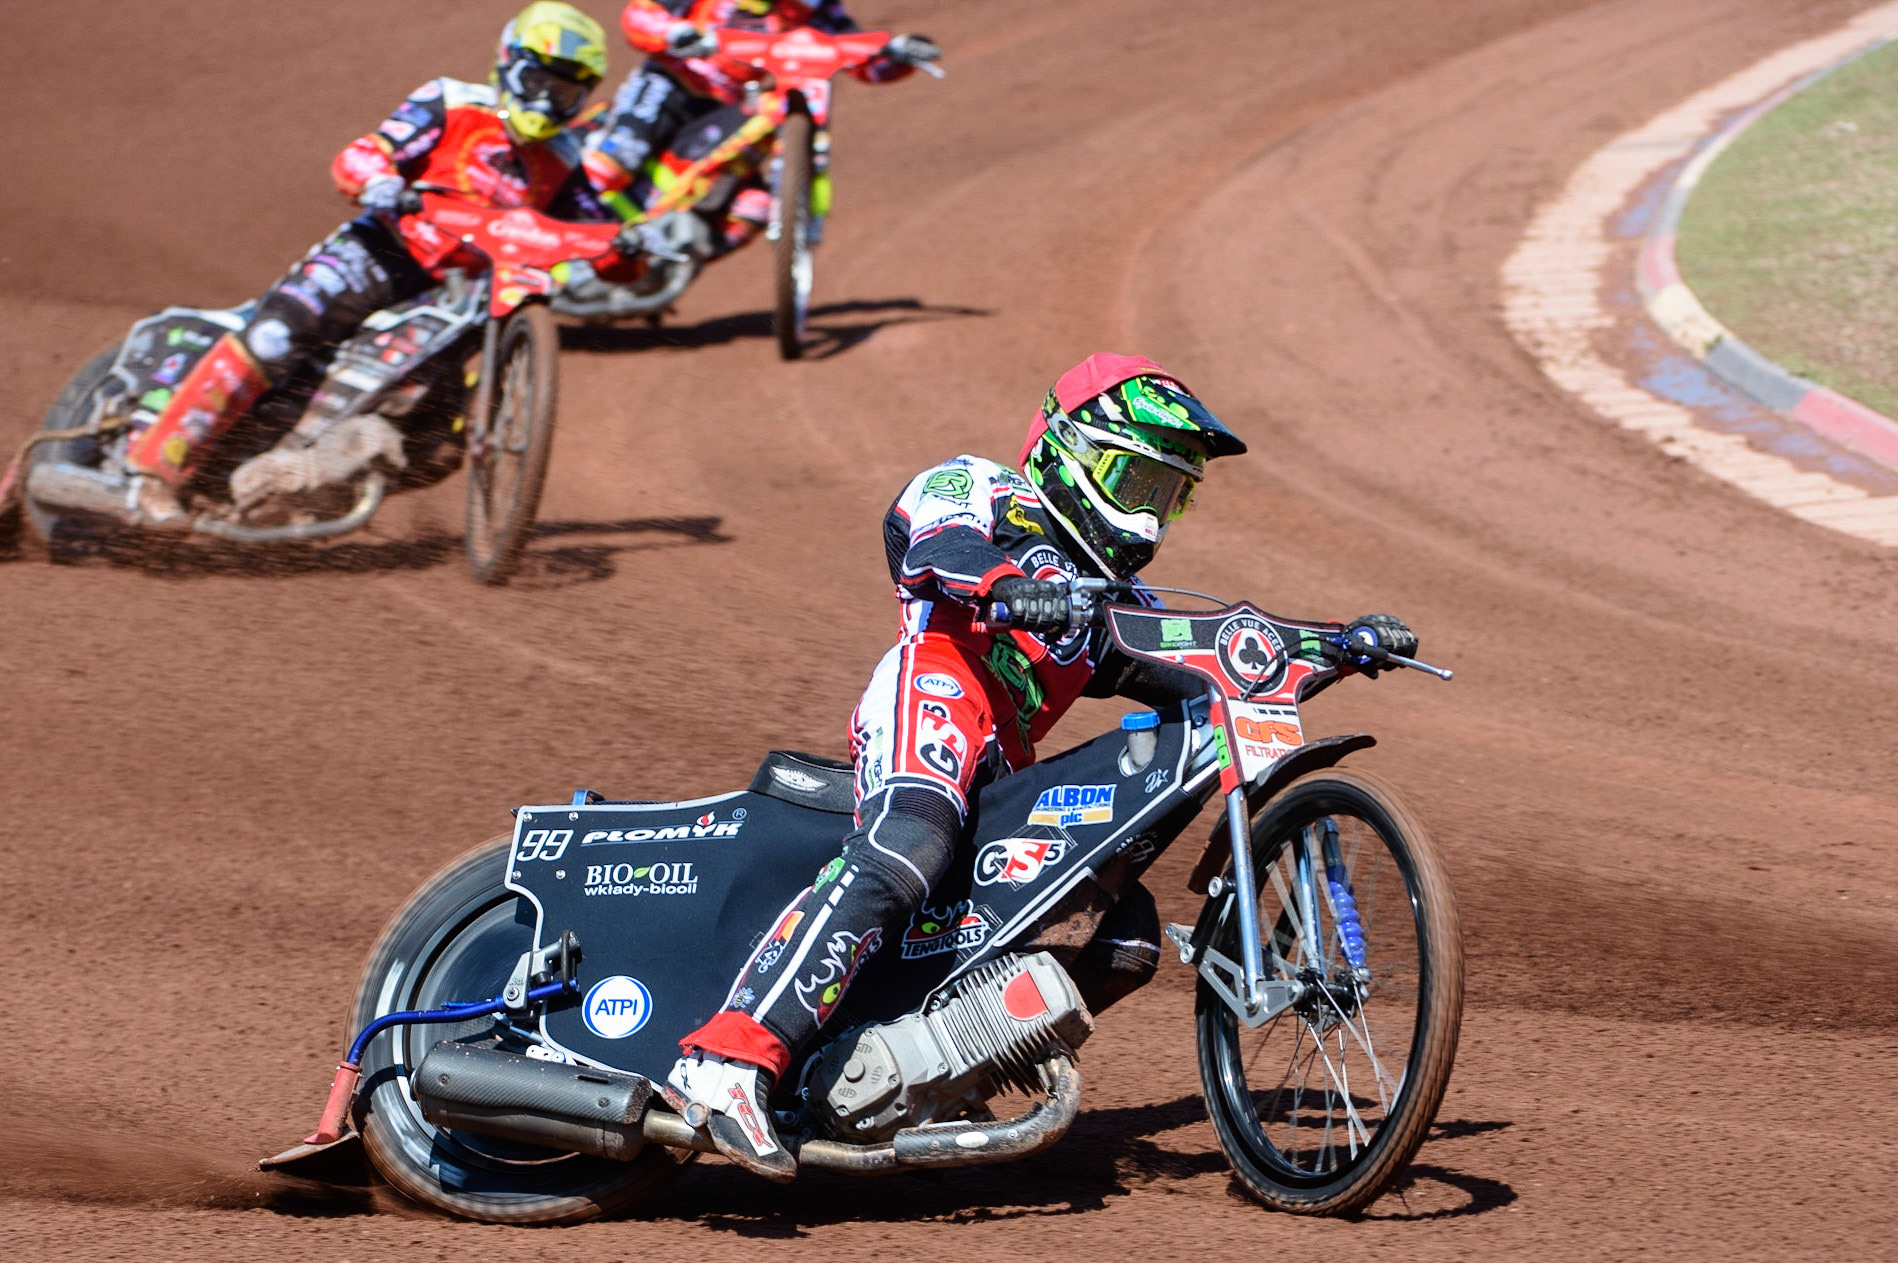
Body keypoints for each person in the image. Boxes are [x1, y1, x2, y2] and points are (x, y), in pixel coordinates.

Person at [660, 353, 1419, 1180]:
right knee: (913, 834)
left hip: (1008, 765)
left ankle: (925, 1066)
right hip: (936, 689)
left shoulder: (1113, 602)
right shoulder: (984, 487)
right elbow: (929, 538)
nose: (1149, 515)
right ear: (1070, 451)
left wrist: (1339, 643)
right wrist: (1005, 582)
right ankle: (726, 1056)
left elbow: (1215, 655)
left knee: (1122, 932)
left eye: (1169, 495)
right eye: (1135, 481)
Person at [104, 3, 622, 524]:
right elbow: (366, 153)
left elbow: (594, 235)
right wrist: (379, 181)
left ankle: (298, 490)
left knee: (439, 440)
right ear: (509, 63)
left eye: (563, 92)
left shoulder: (566, 159)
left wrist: (636, 245)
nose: (545, 99)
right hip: (380, 252)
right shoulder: (453, 103)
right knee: (274, 337)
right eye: (537, 80)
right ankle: (154, 473)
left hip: (462, 295)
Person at [580, 0, 939, 256]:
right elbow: (640, 15)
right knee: (614, 162)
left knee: (755, 208)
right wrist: (675, 32)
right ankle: (559, 233)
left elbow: (856, 56)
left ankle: (657, 264)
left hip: (733, 106)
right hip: (674, 82)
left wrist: (900, 55)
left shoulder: (813, 7)